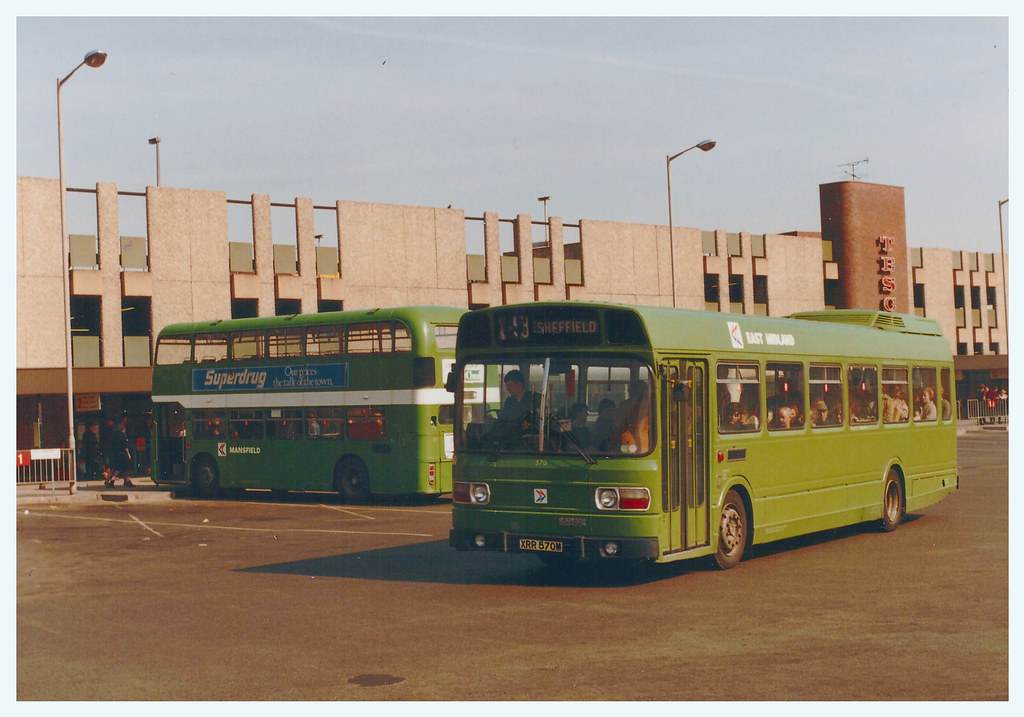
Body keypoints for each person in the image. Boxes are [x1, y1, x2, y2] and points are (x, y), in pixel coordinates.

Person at [615, 380, 651, 453]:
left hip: (642, 445)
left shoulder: (624, 405)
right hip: (635, 444)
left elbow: (618, 424)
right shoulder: (652, 407)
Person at [105, 418, 134, 487]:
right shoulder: (123, 435)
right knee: (120, 469)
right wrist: (128, 454)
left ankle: (127, 481)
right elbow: (125, 446)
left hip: (115, 454)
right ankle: (112, 481)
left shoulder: (114, 435)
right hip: (122, 454)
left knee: (118, 469)